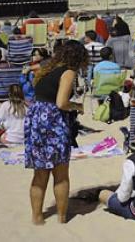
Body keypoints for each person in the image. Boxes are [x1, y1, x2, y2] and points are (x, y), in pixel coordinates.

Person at [25, 40, 87, 225]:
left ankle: (37, 217)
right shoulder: (68, 72)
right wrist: (77, 106)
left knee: (40, 173)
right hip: (52, 121)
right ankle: (61, 217)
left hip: (36, 120)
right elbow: (61, 103)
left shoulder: (47, 68)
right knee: (60, 173)